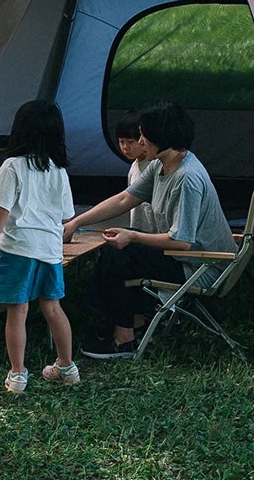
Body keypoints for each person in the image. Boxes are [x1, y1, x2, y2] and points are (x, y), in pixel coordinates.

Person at [65, 99, 235, 359]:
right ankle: (130, 324)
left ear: (162, 137)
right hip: (186, 258)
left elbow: (181, 242)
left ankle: (124, 339)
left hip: (203, 266)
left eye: (144, 136)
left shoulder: (186, 178)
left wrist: (132, 235)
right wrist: (76, 222)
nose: (140, 141)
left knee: (119, 253)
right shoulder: (161, 165)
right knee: (119, 250)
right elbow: (124, 199)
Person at [0, 98, 79, 395]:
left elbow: (2, 209)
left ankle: (19, 374)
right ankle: (66, 366)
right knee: (52, 307)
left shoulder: (13, 166)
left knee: (18, 311)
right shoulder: (58, 170)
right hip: (49, 249)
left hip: (18, 248)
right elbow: (66, 216)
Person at [112, 113, 160, 233]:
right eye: (121, 142)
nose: (125, 147)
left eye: (130, 142)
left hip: (154, 233)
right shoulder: (134, 166)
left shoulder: (154, 166)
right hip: (137, 229)